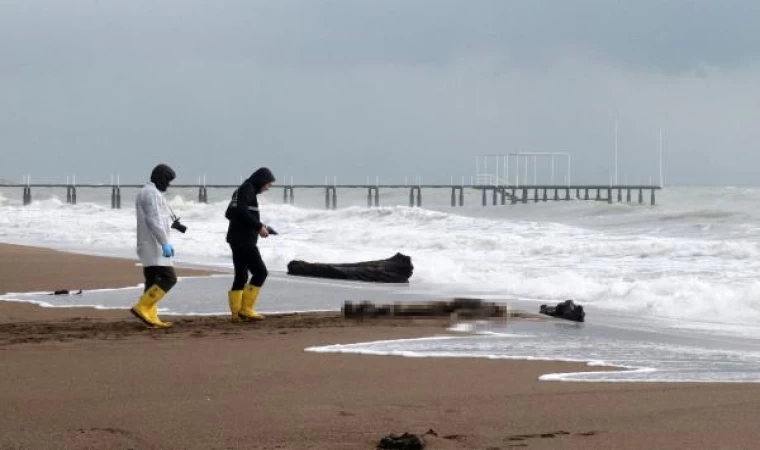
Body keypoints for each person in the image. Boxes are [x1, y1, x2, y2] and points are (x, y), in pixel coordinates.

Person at [130, 164, 178, 328]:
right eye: (168, 180)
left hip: (150, 244)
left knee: (152, 280)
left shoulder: (151, 192)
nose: (168, 184)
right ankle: (142, 307)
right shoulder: (150, 194)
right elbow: (154, 220)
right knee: (169, 278)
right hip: (153, 245)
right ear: (161, 178)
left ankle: (151, 316)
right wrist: (164, 243)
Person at [225, 167, 276, 322]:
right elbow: (241, 211)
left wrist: (260, 225)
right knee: (261, 272)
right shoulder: (248, 189)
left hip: (235, 238)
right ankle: (246, 309)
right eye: (268, 184)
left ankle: (236, 314)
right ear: (261, 180)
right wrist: (258, 226)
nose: (268, 188)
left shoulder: (241, 190)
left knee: (241, 276)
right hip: (244, 240)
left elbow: (230, 213)